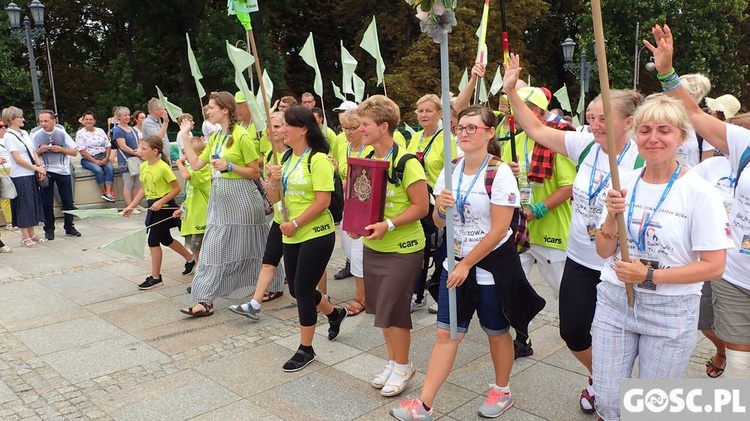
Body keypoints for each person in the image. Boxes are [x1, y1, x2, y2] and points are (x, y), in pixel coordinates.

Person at [502, 53, 645, 413]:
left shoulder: (644, 158)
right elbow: (535, 130)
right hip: (581, 257)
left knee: (627, 337)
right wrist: (510, 92)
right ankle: (603, 378)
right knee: (573, 330)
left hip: (623, 264)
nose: (594, 125)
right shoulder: (583, 145)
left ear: (628, 123)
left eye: (603, 120)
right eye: (591, 118)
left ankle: (619, 390)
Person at [593, 94, 731, 421]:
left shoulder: (700, 192)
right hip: (616, 301)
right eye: (645, 130)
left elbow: (714, 266)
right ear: (633, 135)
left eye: (664, 130)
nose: (653, 138)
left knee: (649, 408)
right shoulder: (621, 182)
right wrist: (612, 217)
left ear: (681, 137)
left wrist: (650, 276)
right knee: (608, 401)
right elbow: (602, 250)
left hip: (671, 310)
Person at [390, 106, 523, 420]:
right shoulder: (450, 169)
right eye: (460, 128)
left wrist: (467, 264)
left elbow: (500, 229)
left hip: (489, 267)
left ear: (489, 133)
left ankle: (502, 391)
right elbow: (437, 223)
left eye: (472, 128)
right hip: (456, 262)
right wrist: (441, 209)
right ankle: (424, 405)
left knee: (496, 330)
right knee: (446, 334)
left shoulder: (499, 172)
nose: (463, 133)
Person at [647, 23, 750, 379]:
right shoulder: (743, 144)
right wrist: (667, 72)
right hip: (737, 274)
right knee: (741, 368)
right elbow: (693, 115)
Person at [353, 95, 428, 397]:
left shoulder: (406, 162)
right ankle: (394, 361)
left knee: (395, 310)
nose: (360, 129)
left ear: (383, 127)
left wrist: (390, 225)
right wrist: (360, 226)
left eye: (365, 124)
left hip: (405, 248)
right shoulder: (370, 160)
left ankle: (404, 365)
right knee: (381, 309)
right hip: (376, 246)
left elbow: (422, 206)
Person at [263, 106, 347, 371]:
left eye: (287, 124)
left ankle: (306, 348)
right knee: (297, 288)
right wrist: (273, 182)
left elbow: (323, 202)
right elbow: (276, 199)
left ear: (304, 129)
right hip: (291, 232)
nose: (282, 130)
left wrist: (296, 223)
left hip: (316, 233)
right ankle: (334, 314)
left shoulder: (318, 160)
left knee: (301, 289)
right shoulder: (286, 159)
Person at [497, 86, 575, 359]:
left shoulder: (557, 141)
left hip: (550, 231)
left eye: (524, 108)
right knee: (514, 288)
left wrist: (537, 210)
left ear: (539, 112)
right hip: (518, 232)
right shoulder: (510, 140)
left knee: (565, 293)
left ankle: (583, 333)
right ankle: (522, 339)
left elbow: (568, 187)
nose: (516, 114)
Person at [179, 91, 270, 317]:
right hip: (220, 199)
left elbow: (254, 171)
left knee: (256, 244)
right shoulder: (217, 137)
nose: (208, 111)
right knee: (213, 248)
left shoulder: (241, 136)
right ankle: (204, 300)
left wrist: (230, 166)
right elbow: (197, 164)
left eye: (212, 107)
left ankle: (273, 285)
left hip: (242, 197)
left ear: (225, 110)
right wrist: (183, 136)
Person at [227, 112, 288, 320]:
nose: (272, 131)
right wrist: (272, 181)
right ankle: (254, 304)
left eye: (278, 126)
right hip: (280, 219)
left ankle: (323, 297)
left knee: (304, 273)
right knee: (268, 261)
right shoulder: (271, 155)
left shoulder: (296, 154)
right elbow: (274, 195)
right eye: (270, 127)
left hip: (302, 222)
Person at [406, 94, 457, 311]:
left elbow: (453, 169)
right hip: (417, 201)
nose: (424, 115)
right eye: (420, 111)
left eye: (428, 111)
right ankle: (417, 293)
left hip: (438, 201)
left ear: (439, 113)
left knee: (440, 249)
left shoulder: (447, 139)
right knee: (419, 246)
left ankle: (439, 292)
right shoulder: (415, 137)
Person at [123, 135, 194, 290]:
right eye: (139, 148)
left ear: (155, 151)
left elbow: (177, 188)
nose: (139, 151)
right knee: (165, 239)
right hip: (153, 205)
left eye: (143, 148)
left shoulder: (163, 167)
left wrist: (161, 202)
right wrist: (132, 205)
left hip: (165, 206)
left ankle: (156, 277)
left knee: (153, 241)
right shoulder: (143, 166)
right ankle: (190, 259)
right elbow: (143, 188)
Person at [336, 109, 373, 316]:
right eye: (345, 128)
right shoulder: (344, 146)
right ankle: (369, 288)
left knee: (359, 253)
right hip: (347, 205)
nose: (348, 132)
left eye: (353, 128)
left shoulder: (370, 148)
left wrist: (350, 183)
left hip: (364, 208)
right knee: (348, 248)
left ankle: (361, 298)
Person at [31, 110, 80, 240]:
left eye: (46, 121)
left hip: (63, 170)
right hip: (46, 171)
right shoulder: (36, 135)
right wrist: (40, 150)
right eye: (41, 121)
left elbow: (74, 152)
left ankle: (69, 226)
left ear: (54, 121)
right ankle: (49, 229)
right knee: (47, 202)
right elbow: (31, 154)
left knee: (68, 201)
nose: (43, 124)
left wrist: (61, 149)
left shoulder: (61, 133)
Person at [2, 106, 46, 247]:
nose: (23, 119)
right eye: (20, 117)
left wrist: (40, 167)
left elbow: (32, 152)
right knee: (24, 205)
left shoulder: (24, 133)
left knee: (33, 203)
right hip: (20, 175)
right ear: (12, 119)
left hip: (30, 172)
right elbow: (17, 158)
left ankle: (32, 232)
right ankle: (25, 236)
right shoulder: (9, 136)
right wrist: (36, 167)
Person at [173, 136, 211, 275]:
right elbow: (189, 194)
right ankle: (201, 275)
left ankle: (203, 277)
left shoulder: (203, 168)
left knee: (200, 249)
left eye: (188, 153)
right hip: (192, 217)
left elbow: (187, 176)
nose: (185, 156)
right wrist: (182, 209)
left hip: (200, 218)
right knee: (195, 249)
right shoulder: (192, 167)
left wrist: (179, 163)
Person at [676, 74, 715, 167]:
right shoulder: (665, 120)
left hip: (691, 179)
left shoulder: (705, 126)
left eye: (677, 92)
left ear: (691, 96)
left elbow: (706, 167)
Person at [76, 111, 115, 202]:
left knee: (110, 169)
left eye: (91, 119)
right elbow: (82, 151)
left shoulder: (100, 131)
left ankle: (108, 193)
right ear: (83, 121)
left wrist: (106, 157)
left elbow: (108, 145)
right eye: (86, 119)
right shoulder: (80, 133)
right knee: (98, 170)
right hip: (88, 158)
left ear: (94, 121)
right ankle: (105, 192)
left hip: (102, 155)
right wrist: (95, 161)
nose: (89, 121)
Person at [112, 107, 142, 212]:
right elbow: (122, 146)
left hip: (135, 158)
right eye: (125, 115)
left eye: (128, 115)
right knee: (128, 183)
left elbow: (138, 143)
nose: (127, 117)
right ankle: (130, 206)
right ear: (119, 117)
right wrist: (135, 152)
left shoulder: (132, 129)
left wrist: (138, 151)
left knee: (137, 183)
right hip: (126, 160)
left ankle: (135, 204)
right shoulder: (118, 130)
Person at [142, 98, 171, 166]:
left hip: (164, 157)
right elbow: (157, 138)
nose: (164, 111)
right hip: (157, 159)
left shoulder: (159, 122)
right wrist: (165, 122)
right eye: (162, 109)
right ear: (155, 110)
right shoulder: (148, 123)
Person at [0, 117, 16, 234]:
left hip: (15, 168)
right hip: (2, 169)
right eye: (1, 127)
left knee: (18, 194)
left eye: (5, 126)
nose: (4, 128)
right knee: (6, 196)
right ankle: (9, 221)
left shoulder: (10, 138)